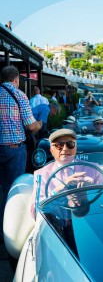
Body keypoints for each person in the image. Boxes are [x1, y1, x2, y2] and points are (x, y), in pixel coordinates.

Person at [0, 65, 42, 237]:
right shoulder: (19, 95)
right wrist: (39, 124)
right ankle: (9, 231)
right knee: (13, 189)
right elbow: (31, 126)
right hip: (14, 149)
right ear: (16, 79)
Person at [30, 129, 103, 218]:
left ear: (76, 148)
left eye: (70, 144)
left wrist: (91, 189)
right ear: (51, 150)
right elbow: (35, 212)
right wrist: (57, 191)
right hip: (57, 227)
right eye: (59, 145)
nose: (65, 149)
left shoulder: (94, 170)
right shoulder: (41, 174)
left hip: (89, 223)